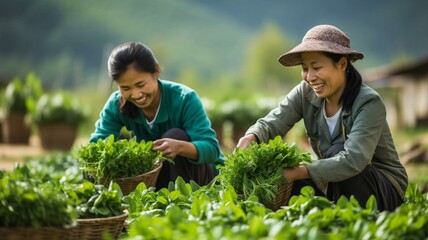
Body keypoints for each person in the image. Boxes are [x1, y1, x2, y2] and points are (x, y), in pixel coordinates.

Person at [236, 24, 408, 211]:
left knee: (334, 153)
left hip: (383, 186)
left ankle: (346, 216)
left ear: (342, 64)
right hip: (332, 182)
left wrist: (298, 172)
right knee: (298, 187)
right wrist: (252, 136)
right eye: (304, 68)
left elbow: (354, 160)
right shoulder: (305, 93)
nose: (309, 77)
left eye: (316, 67)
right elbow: (274, 121)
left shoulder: (368, 102)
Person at [90, 42, 225, 189]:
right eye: (125, 88)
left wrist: (179, 147)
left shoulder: (184, 98)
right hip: (158, 177)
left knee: (175, 135)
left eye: (140, 85)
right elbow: (97, 145)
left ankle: (179, 202)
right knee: (110, 148)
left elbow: (212, 149)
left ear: (156, 72)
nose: (136, 94)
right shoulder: (117, 104)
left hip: (201, 177)